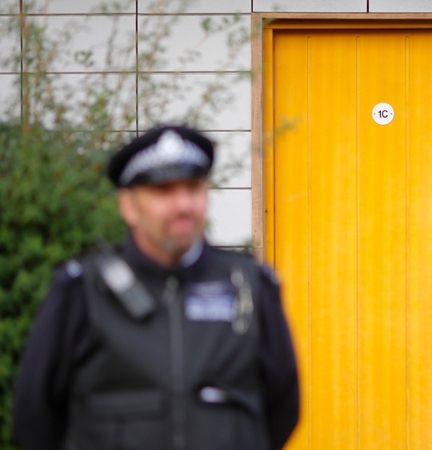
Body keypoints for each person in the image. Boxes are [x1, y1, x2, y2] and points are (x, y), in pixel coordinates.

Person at [13, 126, 299, 450]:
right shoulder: (82, 292)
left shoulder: (248, 286)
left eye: (193, 188)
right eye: (164, 190)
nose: (183, 205)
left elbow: (283, 406)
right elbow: (34, 415)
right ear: (129, 206)